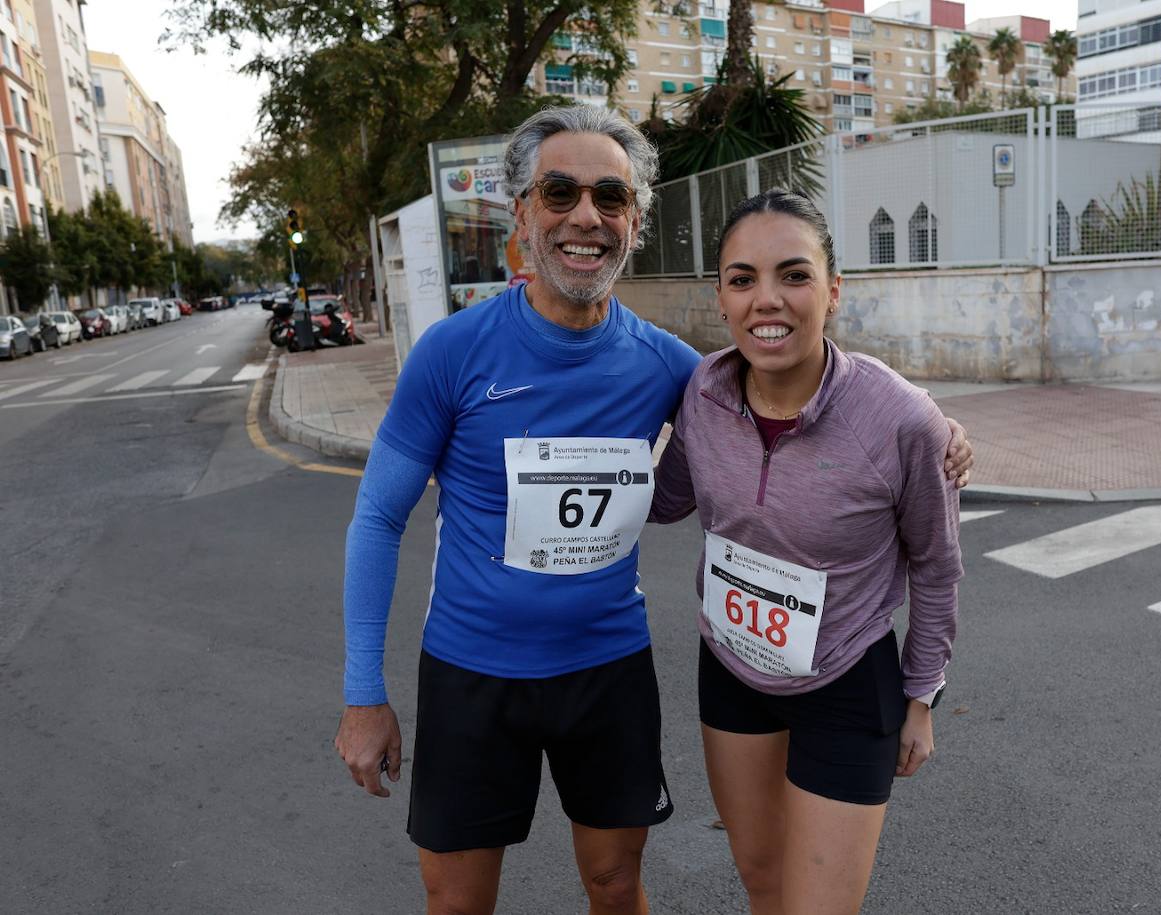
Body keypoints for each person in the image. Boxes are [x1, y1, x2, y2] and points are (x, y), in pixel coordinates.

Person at [333, 108, 974, 915]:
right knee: (456, 899)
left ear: (634, 220)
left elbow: (794, 377)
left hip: (608, 672)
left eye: (611, 195)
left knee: (614, 882)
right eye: (559, 192)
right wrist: (363, 692)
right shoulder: (451, 355)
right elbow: (377, 519)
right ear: (523, 213)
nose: (585, 217)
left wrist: (937, 430)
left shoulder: (675, 368)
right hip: (473, 670)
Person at [650, 189, 963, 915]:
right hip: (731, 668)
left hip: (847, 679)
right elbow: (664, 500)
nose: (768, 300)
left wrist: (922, 696)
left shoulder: (901, 421)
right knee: (763, 883)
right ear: (721, 298)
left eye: (794, 275)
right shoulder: (702, 391)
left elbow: (937, 565)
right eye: (742, 279)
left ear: (833, 290)